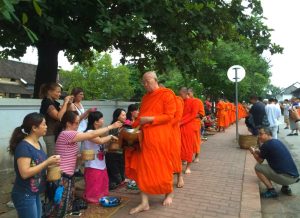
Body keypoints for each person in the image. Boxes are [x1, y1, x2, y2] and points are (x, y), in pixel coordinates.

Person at [51, 111, 122, 217]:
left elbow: (68, 155)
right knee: (62, 203)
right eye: (76, 123)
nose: (77, 125)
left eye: (78, 122)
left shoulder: (68, 134)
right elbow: (91, 134)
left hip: (68, 173)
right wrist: (111, 127)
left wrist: (80, 157)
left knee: (67, 202)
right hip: (63, 174)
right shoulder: (67, 134)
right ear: (68, 124)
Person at [129, 71, 176, 214]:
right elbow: (141, 117)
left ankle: (169, 193)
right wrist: (133, 125)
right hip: (145, 139)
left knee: (163, 166)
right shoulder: (145, 98)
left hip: (160, 138)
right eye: (143, 82)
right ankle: (144, 203)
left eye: (147, 81)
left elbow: (169, 116)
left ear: (155, 80)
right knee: (142, 169)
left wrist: (150, 119)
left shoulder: (167, 94)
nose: (145, 84)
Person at [8, 112, 61, 218]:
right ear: (34, 128)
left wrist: (52, 167)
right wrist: (47, 162)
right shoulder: (24, 147)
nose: (46, 127)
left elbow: (38, 165)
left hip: (34, 193)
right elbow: (24, 173)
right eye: (44, 124)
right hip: (25, 194)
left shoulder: (37, 143)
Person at [249, 127, 299, 198]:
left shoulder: (266, 145)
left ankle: (271, 190)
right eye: (258, 134)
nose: (259, 136)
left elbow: (260, 160)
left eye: (261, 134)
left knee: (258, 167)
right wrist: (257, 151)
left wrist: (253, 152)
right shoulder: (276, 141)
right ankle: (285, 187)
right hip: (294, 176)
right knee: (276, 164)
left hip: (286, 178)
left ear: (268, 134)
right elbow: (264, 153)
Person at [82, 111, 118, 203]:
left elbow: (101, 145)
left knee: (102, 184)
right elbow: (100, 141)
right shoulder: (89, 132)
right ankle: (92, 200)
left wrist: (110, 143)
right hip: (92, 164)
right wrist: (110, 136)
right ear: (96, 122)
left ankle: (101, 199)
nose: (103, 120)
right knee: (94, 185)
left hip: (100, 162)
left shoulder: (97, 132)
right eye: (101, 119)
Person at [39, 83, 73, 156]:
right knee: (53, 158)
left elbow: (64, 113)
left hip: (56, 133)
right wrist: (65, 102)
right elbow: (58, 116)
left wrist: (69, 103)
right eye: (58, 92)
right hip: (50, 134)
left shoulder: (54, 103)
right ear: (49, 92)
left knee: (57, 156)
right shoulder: (47, 103)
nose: (59, 94)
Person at [106, 108, 127, 190]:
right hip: (114, 152)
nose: (125, 117)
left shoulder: (123, 125)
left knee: (120, 170)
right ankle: (113, 182)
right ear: (117, 116)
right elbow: (114, 139)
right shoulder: (115, 126)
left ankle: (116, 181)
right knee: (115, 171)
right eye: (123, 115)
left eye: (125, 115)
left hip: (120, 152)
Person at [180, 87, 198, 174]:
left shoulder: (194, 102)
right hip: (179, 126)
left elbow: (193, 115)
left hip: (188, 127)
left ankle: (188, 167)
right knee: (179, 147)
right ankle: (178, 166)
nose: (180, 96)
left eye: (181, 94)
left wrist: (182, 122)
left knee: (188, 147)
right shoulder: (181, 102)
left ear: (185, 93)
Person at [187, 88, 205, 163]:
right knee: (187, 142)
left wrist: (192, 116)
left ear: (192, 93)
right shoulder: (184, 101)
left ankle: (197, 156)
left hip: (195, 124)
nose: (187, 95)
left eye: (188, 93)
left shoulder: (198, 101)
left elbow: (201, 114)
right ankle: (187, 156)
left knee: (196, 141)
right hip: (186, 124)